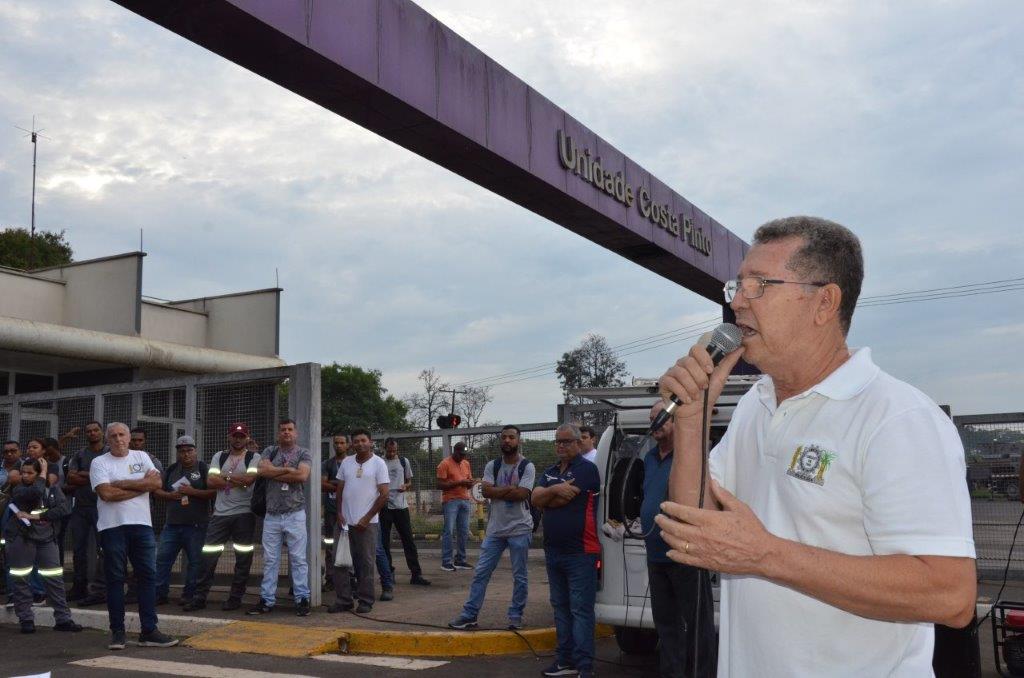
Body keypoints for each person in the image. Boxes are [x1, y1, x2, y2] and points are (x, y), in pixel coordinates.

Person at [655, 216, 976, 677]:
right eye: (737, 285)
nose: (737, 301)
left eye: (758, 285)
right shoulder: (754, 405)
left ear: (824, 302)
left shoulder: (895, 417)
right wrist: (691, 421)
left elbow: (950, 595)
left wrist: (765, 554)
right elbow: (693, 529)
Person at [641, 401, 716, 678]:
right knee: (666, 625)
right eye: (652, 418)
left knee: (698, 626)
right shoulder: (649, 458)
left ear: (676, 421)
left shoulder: (689, 456)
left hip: (685, 554)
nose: (656, 423)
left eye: (662, 417)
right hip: (656, 556)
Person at [91, 422, 178, 649]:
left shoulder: (142, 456)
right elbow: (106, 494)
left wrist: (123, 483)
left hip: (142, 526)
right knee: (115, 579)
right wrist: (141, 486)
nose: (118, 439)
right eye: (113, 435)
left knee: (148, 577)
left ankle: (149, 631)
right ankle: (117, 632)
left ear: (129, 437)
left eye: (122, 434)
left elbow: (156, 483)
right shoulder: (99, 462)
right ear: (107, 439)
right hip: (112, 527)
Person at [448, 425, 535, 630]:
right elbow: (485, 492)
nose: (507, 441)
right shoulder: (493, 465)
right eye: (504, 437)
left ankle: (515, 616)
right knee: (481, 572)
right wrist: (509, 488)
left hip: (520, 528)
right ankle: (469, 615)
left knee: (520, 576)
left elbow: (522, 494)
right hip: (495, 530)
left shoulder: (527, 466)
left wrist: (498, 490)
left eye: (511, 437)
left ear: (519, 440)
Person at [531, 424, 601, 678]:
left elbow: (563, 499)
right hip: (553, 551)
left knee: (580, 610)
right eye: (558, 441)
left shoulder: (587, 469)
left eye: (566, 441)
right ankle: (565, 661)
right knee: (560, 607)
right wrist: (553, 490)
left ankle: (584, 666)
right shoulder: (550, 472)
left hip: (580, 552)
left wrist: (548, 496)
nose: (561, 446)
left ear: (578, 443)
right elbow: (535, 499)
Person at [4, 458, 82, 634]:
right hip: (22, 538)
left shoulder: (53, 489)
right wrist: (43, 475)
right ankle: (26, 619)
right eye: (23, 472)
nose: (25, 476)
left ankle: (63, 619)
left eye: (30, 472)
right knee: (21, 579)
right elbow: (36, 492)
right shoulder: (19, 489)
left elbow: (64, 509)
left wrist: (37, 516)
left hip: (47, 539)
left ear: (39, 473)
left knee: (55, 580)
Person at [193, 422, 260, 611]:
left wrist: (225, 477)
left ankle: (235, 598)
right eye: (235, 436)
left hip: (244, 513)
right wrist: (236, 480)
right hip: (220, 514)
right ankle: (199, 597)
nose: (238, 439)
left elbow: (249, 481)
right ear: (229, 437)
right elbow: (210, 481)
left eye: (241, 436)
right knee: (208, 556)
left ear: (247, 438)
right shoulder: (219, 456)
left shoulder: (254, 457)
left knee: (243, 559)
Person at [249, 419, 312, 617]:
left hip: (295, 513)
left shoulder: (303, 453)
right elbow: (261, 471)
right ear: (278, 433)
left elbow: (302, 476)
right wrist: (288, 470)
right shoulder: (270, 451)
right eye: (283, 429)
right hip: (272, 514)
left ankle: (302, 599)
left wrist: (273, 473)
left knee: (298, 559)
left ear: (296, 433)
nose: (286, 432)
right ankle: (267, 599)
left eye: (290, 429)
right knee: (270, 559)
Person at [330, 429, 389, 614]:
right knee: (339, 561)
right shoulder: (347, 462)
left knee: (365, 563)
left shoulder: (378, 463)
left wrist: (366, 518)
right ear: (352, 444)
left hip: (367, 524)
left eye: (363, 440)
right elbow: (340, 490)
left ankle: (365, 600)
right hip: (344, 523)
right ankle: (344, 600)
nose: (360, 444)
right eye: (356, 441)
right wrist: (339, 513)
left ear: (370, 442)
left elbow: (384, 494)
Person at [153, 436, 214, 607]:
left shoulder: (203, 468)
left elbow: (214, 492)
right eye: (182, 451)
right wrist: (169, 495)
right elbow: (156, 491)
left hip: (197, 525)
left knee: (195, 562)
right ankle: (159, 594)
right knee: (162, 559)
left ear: (195, 451)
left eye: (189, 450)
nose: (186, 454)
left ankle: (189, 595)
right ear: (177, 453)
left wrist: (192, 492)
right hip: (172, 525)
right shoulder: (172, 469)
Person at [66, 421, 107, 605]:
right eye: (89, 431)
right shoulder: (80, 454)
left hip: (102, 507)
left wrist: (83, 474)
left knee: (103, 548)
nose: (92, 433)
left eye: (95, 430)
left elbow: (109, 476)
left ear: (102, 432)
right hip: (81, 508)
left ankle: (101, 588)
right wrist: (94, 476)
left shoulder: (108, 452)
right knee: (78, 549)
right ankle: (79, 586)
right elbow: (70, 477)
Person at [380, 437, 430, 587]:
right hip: (384, 506)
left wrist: (405, 486)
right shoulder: (379, 462)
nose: (392, 453)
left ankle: (416, 574)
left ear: (397, 449)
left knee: (408, 540)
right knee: (384, 542)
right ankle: (388, 573)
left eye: (394, 451)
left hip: (401, 506)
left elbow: (409, 481)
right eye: (389, 451)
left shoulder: (403, 461)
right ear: (384, 449)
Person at [436, 441, 474, 572]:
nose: (462, 457)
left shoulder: (466, 463)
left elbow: (468, 481)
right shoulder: (445, 464)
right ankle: (446, 561)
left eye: (464, 454)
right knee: (449, 531)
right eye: (460, 454)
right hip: (451, 500)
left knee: (464, 531)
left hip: (465, 499)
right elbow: (439, 485)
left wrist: (470, 483)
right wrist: (459, 482)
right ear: (455, 451)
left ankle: (460, 560)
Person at [321, 433, 349, 587]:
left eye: (342, 443)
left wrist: (333, 483)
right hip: (331, 510)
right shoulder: (327, 463)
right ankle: (330, 578)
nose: (339, 445)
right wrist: (341, 485)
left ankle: (350, 578)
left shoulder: (352, 463)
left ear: (347, 445)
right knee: (330, 544)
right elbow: (322, 484)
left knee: (350, 544)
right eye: (336, 443)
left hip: (349, 510)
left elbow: (354, 484)